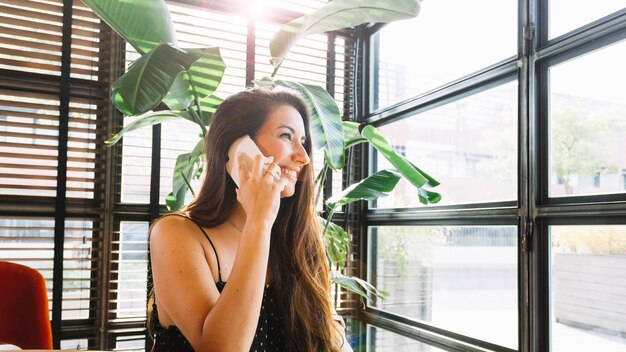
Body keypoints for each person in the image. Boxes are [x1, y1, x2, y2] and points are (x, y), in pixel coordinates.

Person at [148, 88, 352, 351]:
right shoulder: (176, 233)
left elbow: (328, 336)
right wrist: (259, 220)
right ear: (238, 148)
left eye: (303, 141)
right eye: (286, 135)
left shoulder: (295, 236)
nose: (303, 157)